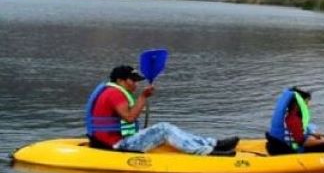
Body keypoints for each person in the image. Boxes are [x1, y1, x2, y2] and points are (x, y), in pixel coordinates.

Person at [86, 65, 240, 155]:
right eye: (132, 80)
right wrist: (143, 97)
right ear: (120, 81)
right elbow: (129, 118)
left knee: (165, 127)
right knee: (164, 128)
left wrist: (142, 97)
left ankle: (213, 144)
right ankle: (206, 151)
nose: (135, 84)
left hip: (108, 141)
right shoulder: (114, 93)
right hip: (115, 145)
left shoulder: (109, 91)